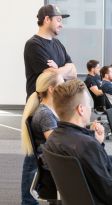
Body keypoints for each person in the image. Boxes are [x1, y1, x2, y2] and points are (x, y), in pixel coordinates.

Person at [20, 71, 64, 205]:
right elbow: (57, 144)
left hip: (46, 161)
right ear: (51, 89)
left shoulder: (50, 110)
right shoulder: (45, 114)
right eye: (61, 85)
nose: (64, 87)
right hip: (49, 165)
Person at [24, 4, 77, 100]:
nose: (61, 25)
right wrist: (64, 69)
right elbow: (52, 77)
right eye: (58, 20)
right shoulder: (33, 45)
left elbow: (74, 72)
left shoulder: (57, 43)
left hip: (57, 103)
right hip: (41, 107)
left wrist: (58, 70)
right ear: (47, 19)